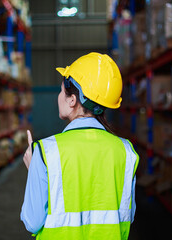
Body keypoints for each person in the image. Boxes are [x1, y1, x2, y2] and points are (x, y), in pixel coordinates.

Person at [20, 52, 139, 239]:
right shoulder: (126, 152)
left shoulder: (47, 153)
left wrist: (35, 170)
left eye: (61, 91)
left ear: (72, 100)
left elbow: (32, 222)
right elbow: (127, 216)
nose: (59, 97)